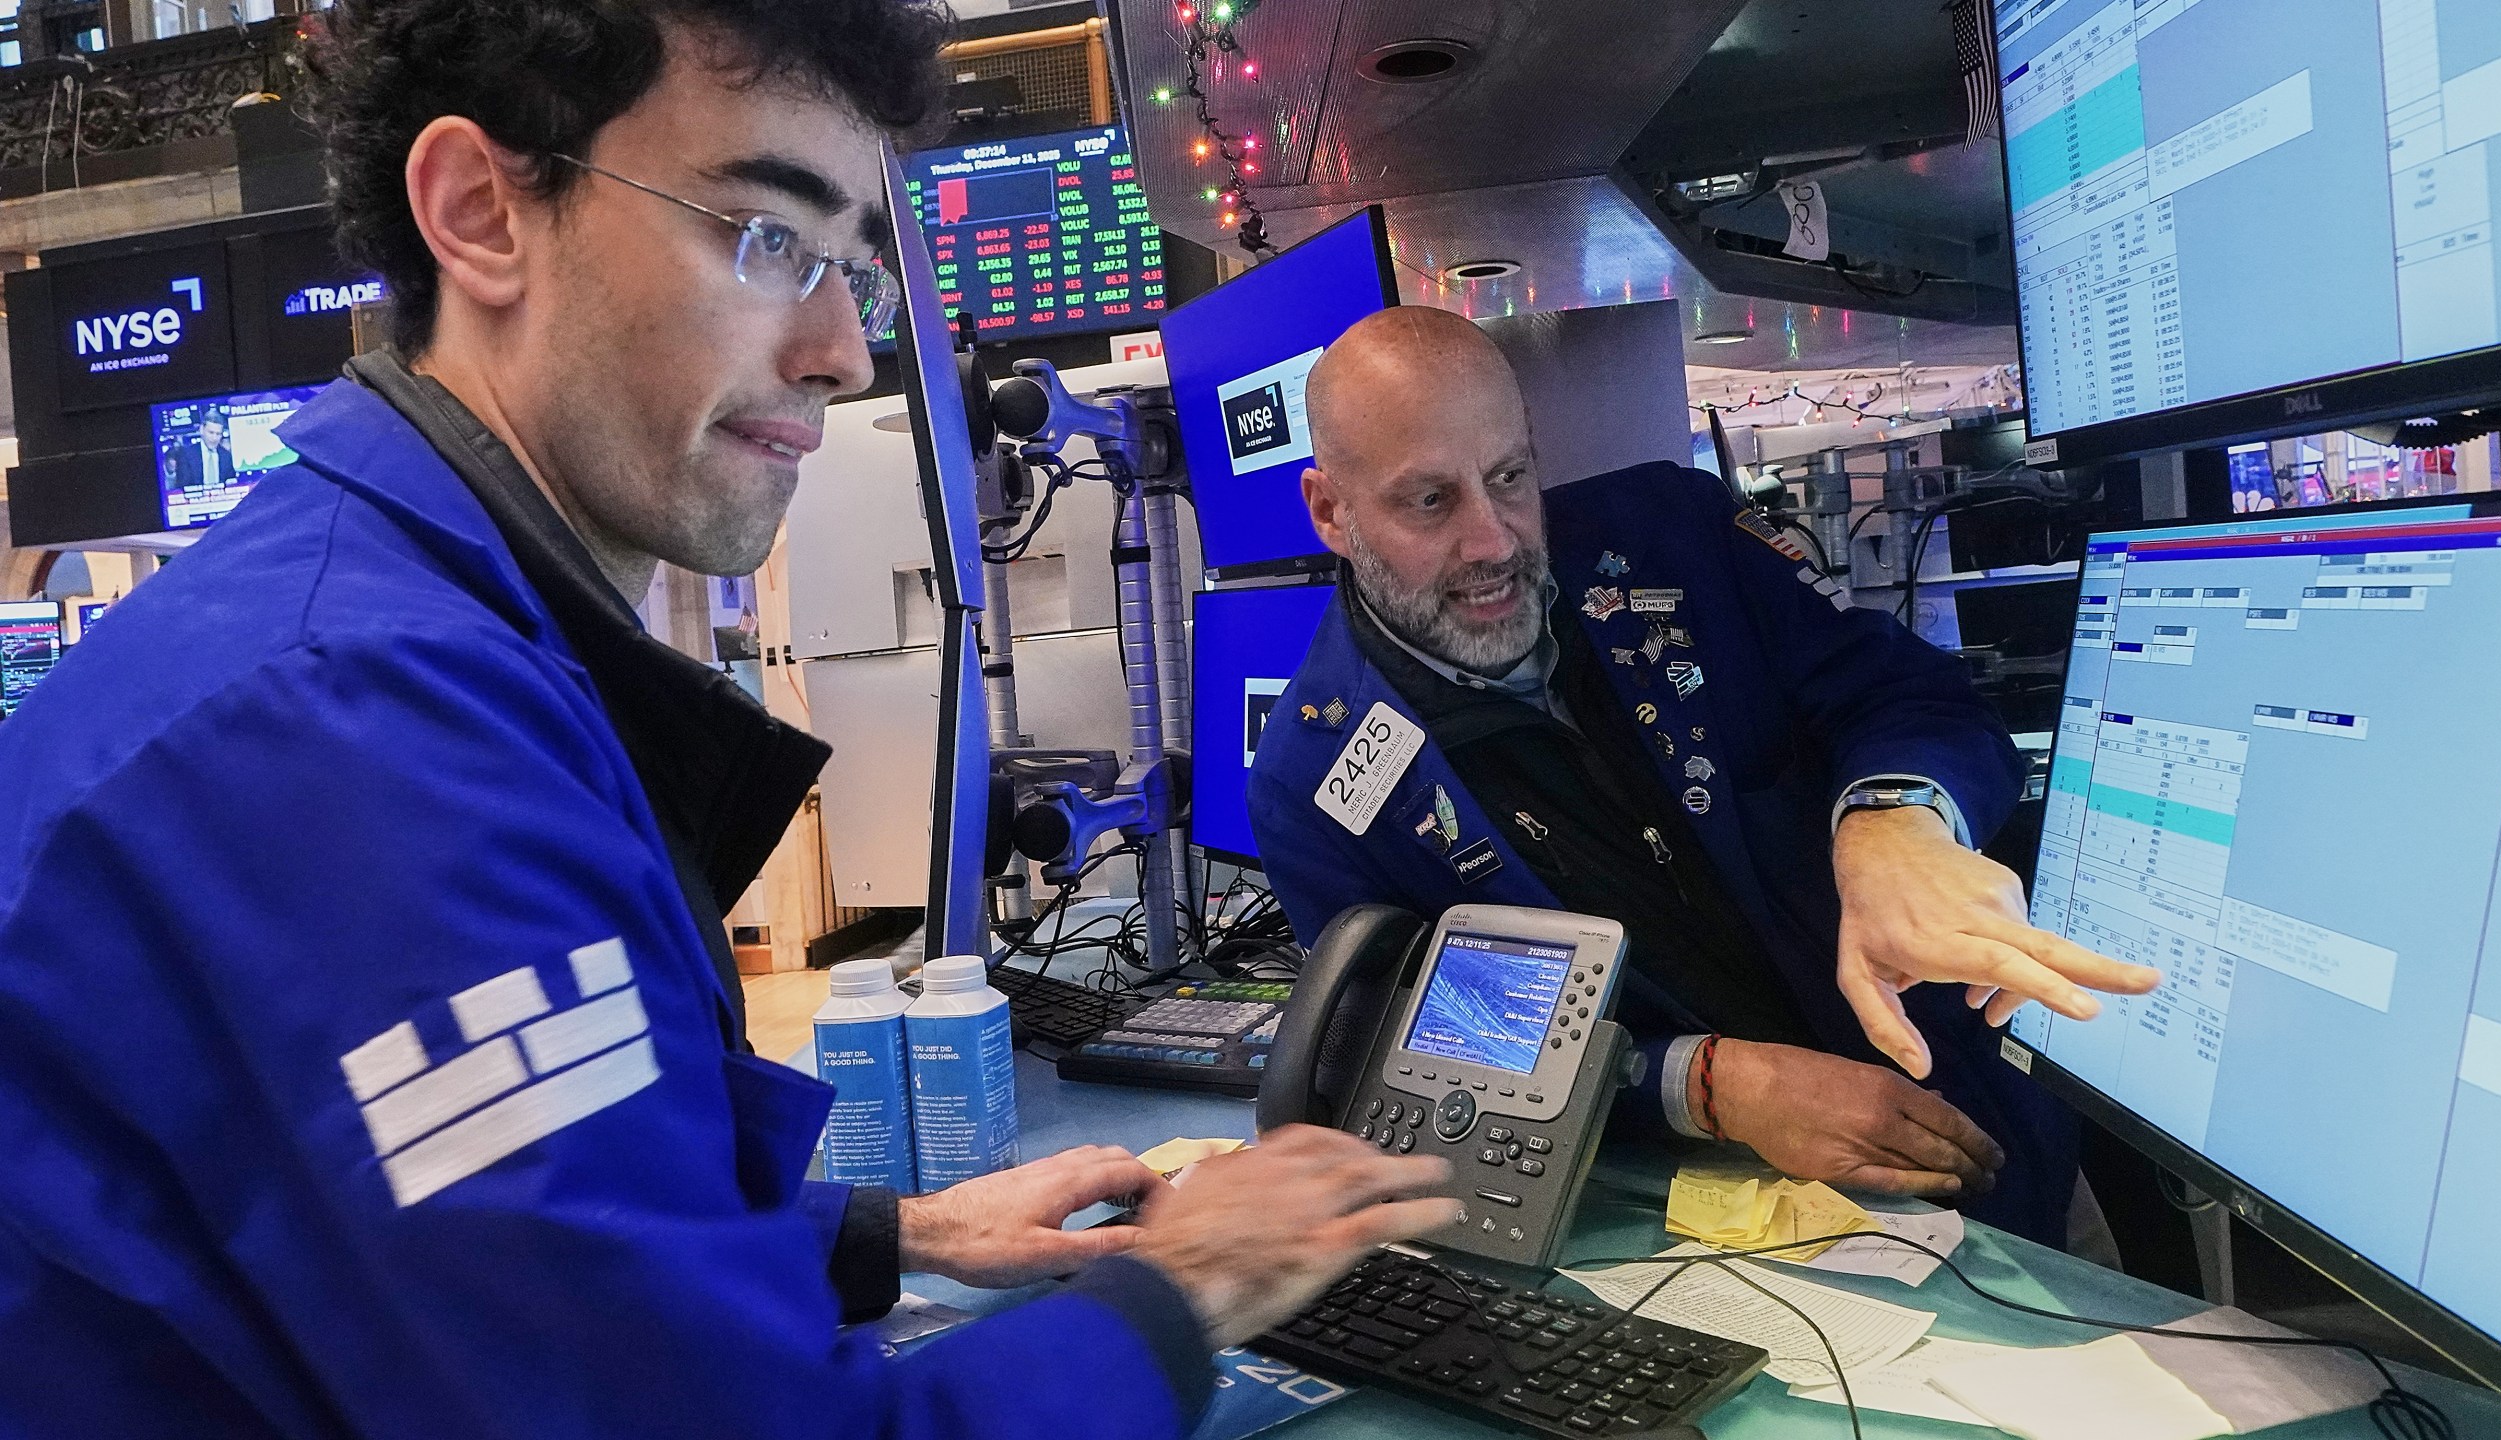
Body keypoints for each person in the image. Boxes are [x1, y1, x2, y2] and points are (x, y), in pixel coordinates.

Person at [0, 3, 1459, 1437]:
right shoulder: (357, 736)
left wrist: (892, 1234)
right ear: (480, 213)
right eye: (769, 238)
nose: (840, 350)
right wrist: (1184, 1295)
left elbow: (452, 1229)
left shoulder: (405, 631)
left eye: (854, 273)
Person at [1246, 308, 2158, 1246]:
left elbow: (1918, 700)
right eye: (1429, 502)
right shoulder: (1316, 779)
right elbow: (1416, 1051)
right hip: (1703, 1229)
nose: (1493, 542)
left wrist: (1895, 816)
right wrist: (1709, 1084)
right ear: (1331, 513)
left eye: (1510, 477)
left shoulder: (1673, 536)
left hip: (1983, 1138)